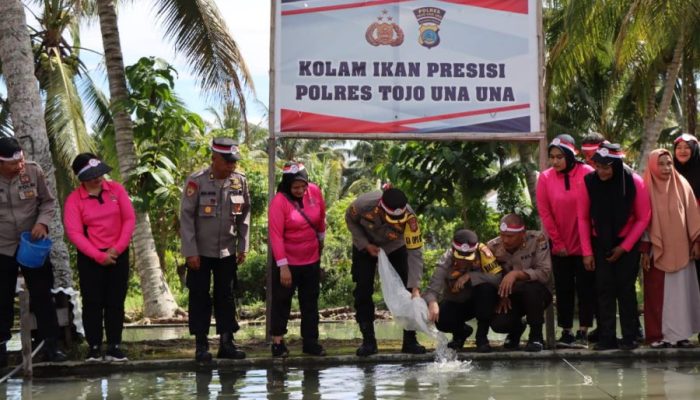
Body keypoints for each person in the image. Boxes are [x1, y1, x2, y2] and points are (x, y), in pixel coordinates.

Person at [180, 138, 250, 361]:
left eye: (234, 161)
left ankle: (227, 343)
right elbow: (186, 217)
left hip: (227, 250)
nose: (232, 165)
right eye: (227, 161)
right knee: (199, 296)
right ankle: (201, 346)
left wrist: (243, 245)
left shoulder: (239, 181)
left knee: (226, 296)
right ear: (214, 158)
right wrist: (190, 251)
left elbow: (244, 214)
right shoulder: (197, 181)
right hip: (200, 251)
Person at [577, 142, 651, 350]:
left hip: (627, 242)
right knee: (604, 289)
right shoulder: (588, 182)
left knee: (626, 290)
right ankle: (607, 337)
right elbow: (583, 218)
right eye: (598, 166)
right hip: (599, 241)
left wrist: (624, 247)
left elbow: (643, 217)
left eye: (606, 167)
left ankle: (630, 337)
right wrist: (587, 252)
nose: (601, 171)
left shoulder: (634, 182)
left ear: (617, 165)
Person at [0, 137, 66, 366]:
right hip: (2, 246)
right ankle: (2, 348)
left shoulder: (33, 171)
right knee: (2, 299)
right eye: (13, 163)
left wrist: (43, 223)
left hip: (32, 244)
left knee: (42, 294)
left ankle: (50, 345)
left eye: (21, 160)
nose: (20, 165)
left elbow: (48, 202)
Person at [63, 153, 136, 362]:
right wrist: (98, 256)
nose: (98, 178)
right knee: (93, 302)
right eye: (92, 175)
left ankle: (114, 346)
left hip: (117, 254)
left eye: (100, 173)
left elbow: (129, 219)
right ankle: (94, 347)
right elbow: (75, 233)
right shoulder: (74, 200)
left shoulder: (116, 190)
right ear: (81, 177)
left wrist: (117, 249)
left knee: (115, 301)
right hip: (90, 257)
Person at [345, 187, 425, 356]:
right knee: (363, 290)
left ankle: (410, 340)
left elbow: (415, 253)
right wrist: (365, 244)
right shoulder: (363, 205)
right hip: (365, 245)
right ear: (380, 208)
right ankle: (368, 342)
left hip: (396, 245)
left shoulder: (410, 219)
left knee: (408, 289)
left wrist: (415, 287)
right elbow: (350, 219)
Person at [536, 135, 595, 348]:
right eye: (552, 157)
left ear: (570, 156)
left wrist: (589, 247)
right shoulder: (545, 178)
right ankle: (566, 331)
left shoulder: (587, 172)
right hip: (560, 243)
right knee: (563, 288)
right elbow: (545, 212)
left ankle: (583, 331)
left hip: (587, 243)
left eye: (559, 157)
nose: (555, 161)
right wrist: (558, 242)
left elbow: (594, 208)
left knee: (586, 287)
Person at [641, 149, 700, 348]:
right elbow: (643, 222)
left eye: (669, 163)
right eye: (661, 164)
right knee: (657, 295)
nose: (666, 168)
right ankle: (658, 336)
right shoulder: (645, 187)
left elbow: (693, 214)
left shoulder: (682, 184)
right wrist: (644, 251)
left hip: (682, 251)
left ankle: (681, 335)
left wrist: (696, 242)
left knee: (681, 294)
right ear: (652, 166)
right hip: (656, 251)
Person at [268, 162, 326, 357]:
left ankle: (310, 342)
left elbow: (321, 219)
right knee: (282, 301)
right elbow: (276, 236)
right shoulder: (279, 202)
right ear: (287, 185)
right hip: (288, 262)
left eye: (303, 186)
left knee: (310, 303)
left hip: (311, 259)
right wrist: (283, 266)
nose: (300, 190)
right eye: (295, 187)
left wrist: (321, 242)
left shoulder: (314, 192)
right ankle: (278, 342)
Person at [424, 229, 501, 353]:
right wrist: (432, 302)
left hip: (479, 302)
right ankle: (461, 333)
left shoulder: (484, 254)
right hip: (456, 302)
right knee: (441, 318)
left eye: (468, 258)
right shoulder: (446, 260)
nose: (464, 261)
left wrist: (471, 276)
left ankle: (482, 338)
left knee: (486, 289)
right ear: (453, 250)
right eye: (460, 258)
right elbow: (431, 290)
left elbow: (498, 279)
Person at [488, 214, 552, 352]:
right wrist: (501, 296)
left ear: (522, 234)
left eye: (510, 236)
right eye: (502, 235)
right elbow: (489, 277)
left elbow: (544, 273)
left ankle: (536, 336)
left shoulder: (537, 239)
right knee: (499, 324)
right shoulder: (493, 247)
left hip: (537, 294)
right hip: (510, 295)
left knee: (531, 289)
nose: (505, 240)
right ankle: (516, 329)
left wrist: (516, 274)